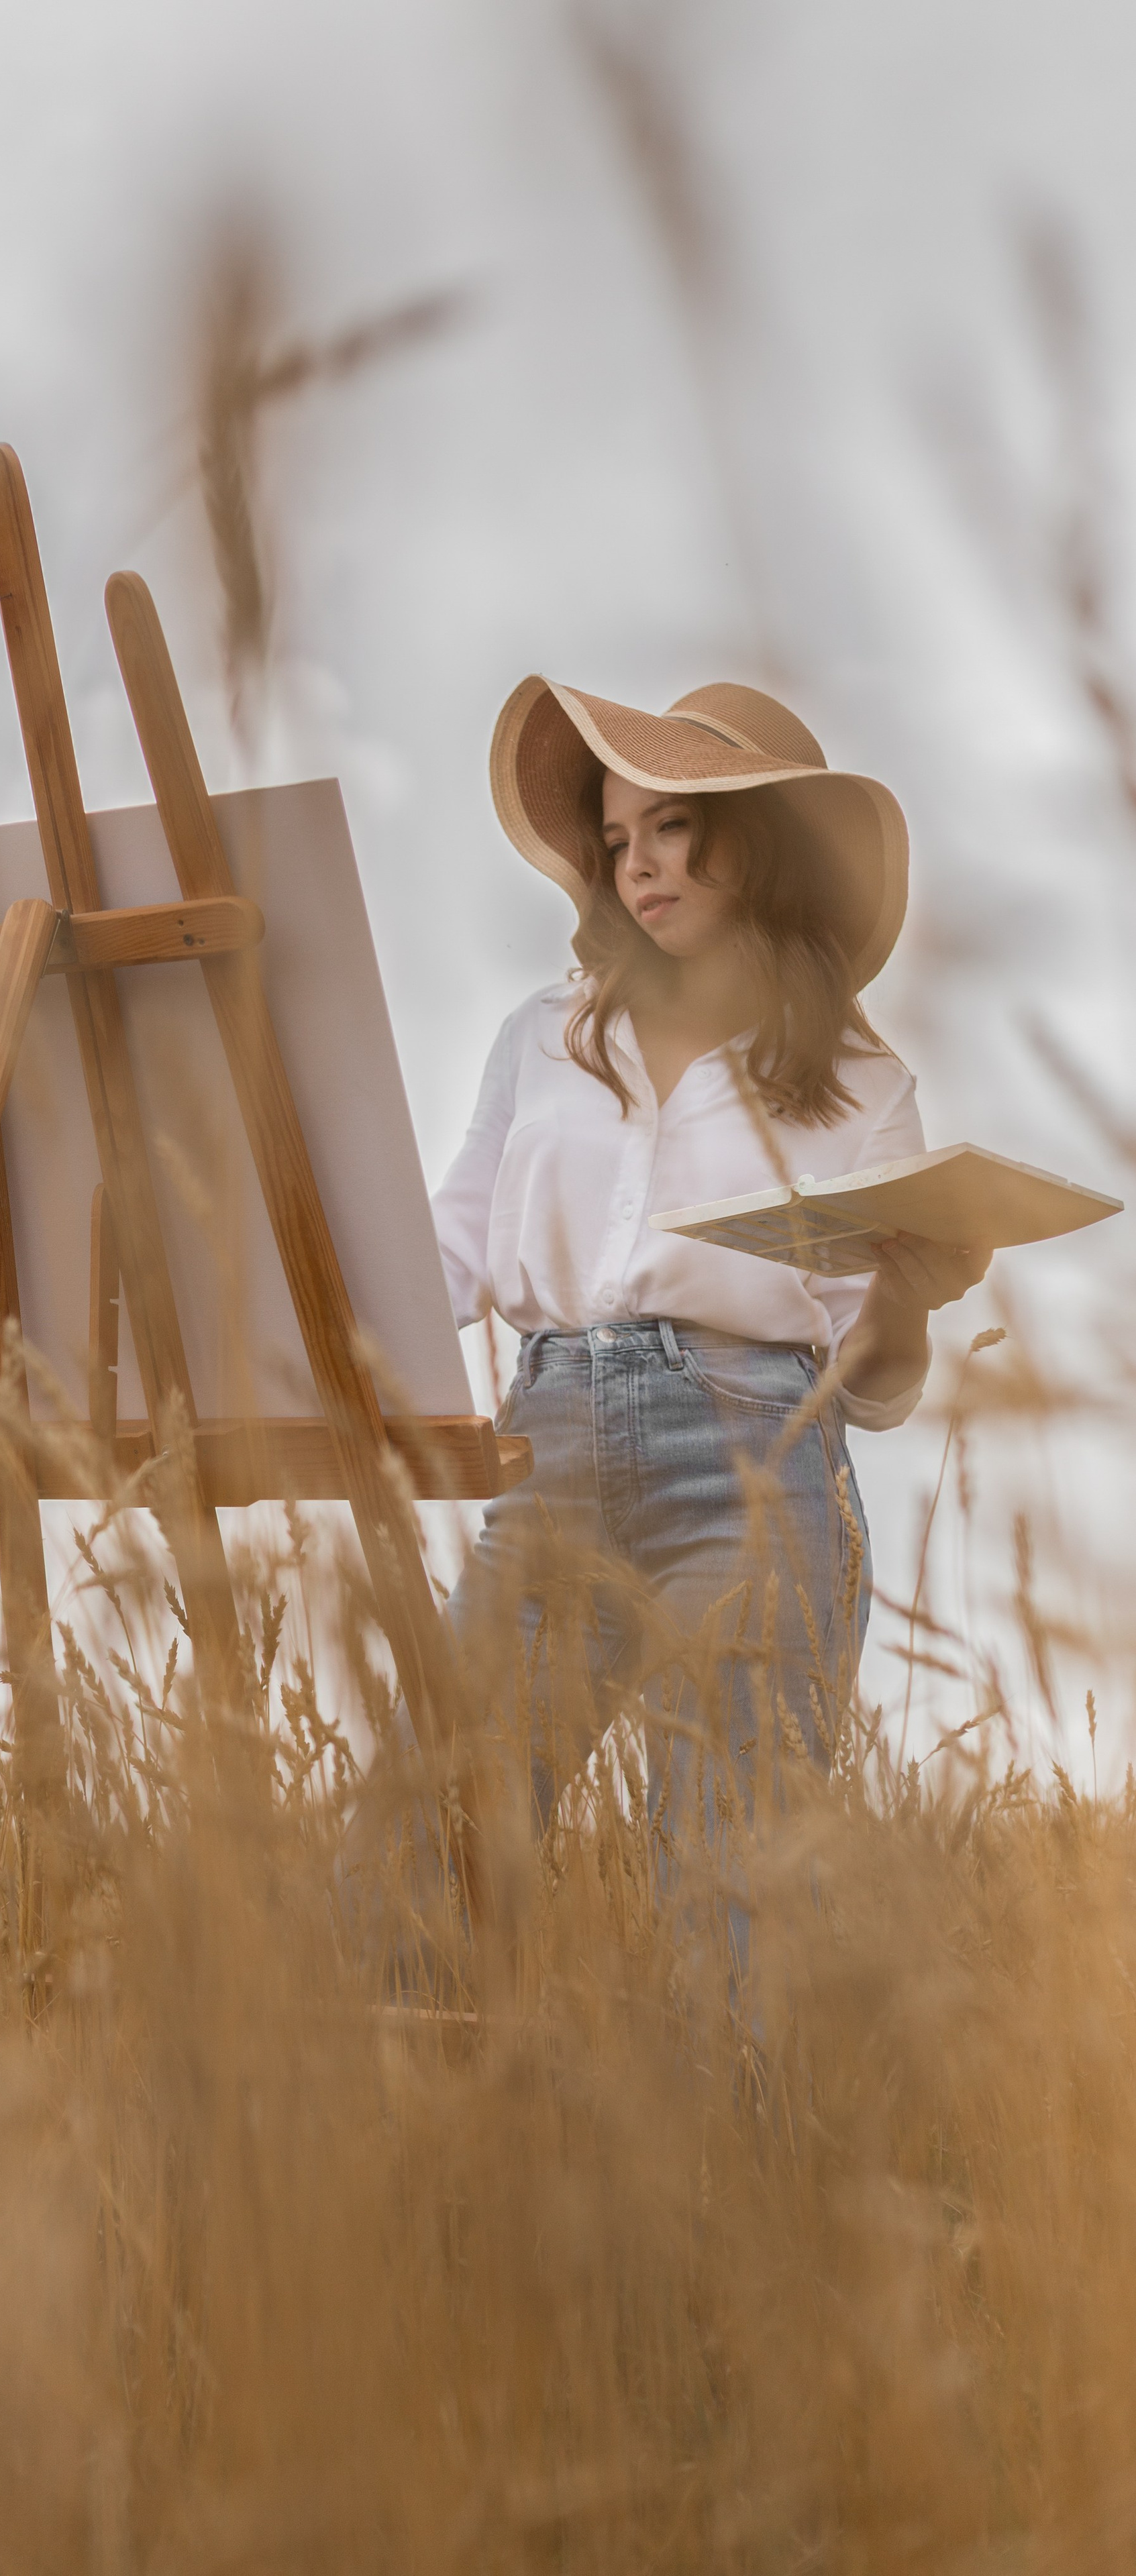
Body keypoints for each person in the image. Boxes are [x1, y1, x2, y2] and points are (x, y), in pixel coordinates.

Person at [427, 677, 989, 1976]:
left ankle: (721, 2172)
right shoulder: (544, 1037)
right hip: (550, 1446)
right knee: (431, 1831)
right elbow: (452, 1243)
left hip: (756, 1460)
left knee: (728, 1889)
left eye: (672, 827)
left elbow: (873, 1385)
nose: (639, 867)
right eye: (618, 841)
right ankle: (423, 2160)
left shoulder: (858, 1085)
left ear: (761, 842)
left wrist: (904, 1294)